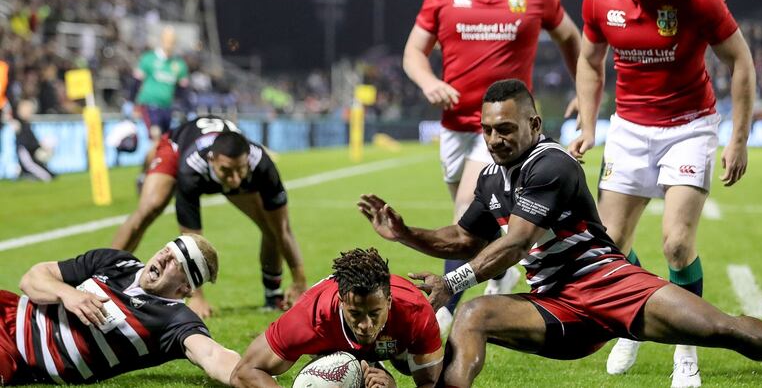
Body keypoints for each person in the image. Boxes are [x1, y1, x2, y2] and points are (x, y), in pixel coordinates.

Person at [358, 80, 762, 388]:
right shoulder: (493, 177)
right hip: (556, 305)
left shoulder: (551, 164)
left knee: (726, 330)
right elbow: (462, 238)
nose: (494, 139)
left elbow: (516, 244)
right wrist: (404, 233)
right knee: (473, 317)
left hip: (611, 285)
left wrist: (451, 281)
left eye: (506, 129)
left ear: (534, 124)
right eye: (488, 129)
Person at [567, 0, 756, 384]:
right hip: (630, 128)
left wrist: (739, 138)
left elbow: (741, 61)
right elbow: (590, 61)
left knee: (675, 243)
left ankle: (684, 351)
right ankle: (636, 317)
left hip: (689, 128)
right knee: (608, 244)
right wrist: (591, 125)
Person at [402, 0, 581, 333]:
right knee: (471, 227)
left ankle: (445, 310)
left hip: (504, 131)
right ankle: (500, 274)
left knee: (466, 205)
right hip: (455, 127)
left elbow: (571, 37)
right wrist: (428, 81)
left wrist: (584, 91)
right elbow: (413, 52)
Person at [111, 116, 307, 318]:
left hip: (219, 158)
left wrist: (300, 282)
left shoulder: (262, 165)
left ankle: (273, 296)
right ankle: (102, 273)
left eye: (240, 170)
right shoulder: (191, 169)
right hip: (177, 147)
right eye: (227, 171)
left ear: (248, 160)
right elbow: (190, 241)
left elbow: (284, 230)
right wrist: (196, 297)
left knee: (272, 227)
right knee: (149, 209)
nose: (235, 179)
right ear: (212, 160)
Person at [0, 234, 241, 385]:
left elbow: (212, 355)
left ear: (186, 287)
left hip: (17, 354)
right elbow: (31, 278)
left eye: (174, 262)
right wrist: (69, 294)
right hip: (8, 310)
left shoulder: (174, 320)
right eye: (166, 250)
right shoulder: (116, 262)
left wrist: (250, 375)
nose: (162, 257)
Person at [230, 248, 443, 388]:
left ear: (388, 301)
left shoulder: (415, 310)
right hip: (332, 342)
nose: (366, 325)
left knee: (410, 366)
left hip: (398, 339)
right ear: (341, 301)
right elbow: (243, 373)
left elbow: (430, 383)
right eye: (355, 314)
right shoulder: (309, 317)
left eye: (374, 313)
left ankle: (388, 359)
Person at [132, 26, 189, 142]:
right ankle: (155, 159)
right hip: (149, 103)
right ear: (161, 40)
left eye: (172, 40)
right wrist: (133, 103)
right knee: (155, 134)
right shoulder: (149, 58)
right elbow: (136, 82)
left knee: (165, 138)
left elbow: (183, 89)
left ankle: (157, 158)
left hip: (167, 106)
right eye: (167, 39)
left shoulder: (179, 64)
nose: (169, 43)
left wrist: (186, 108)